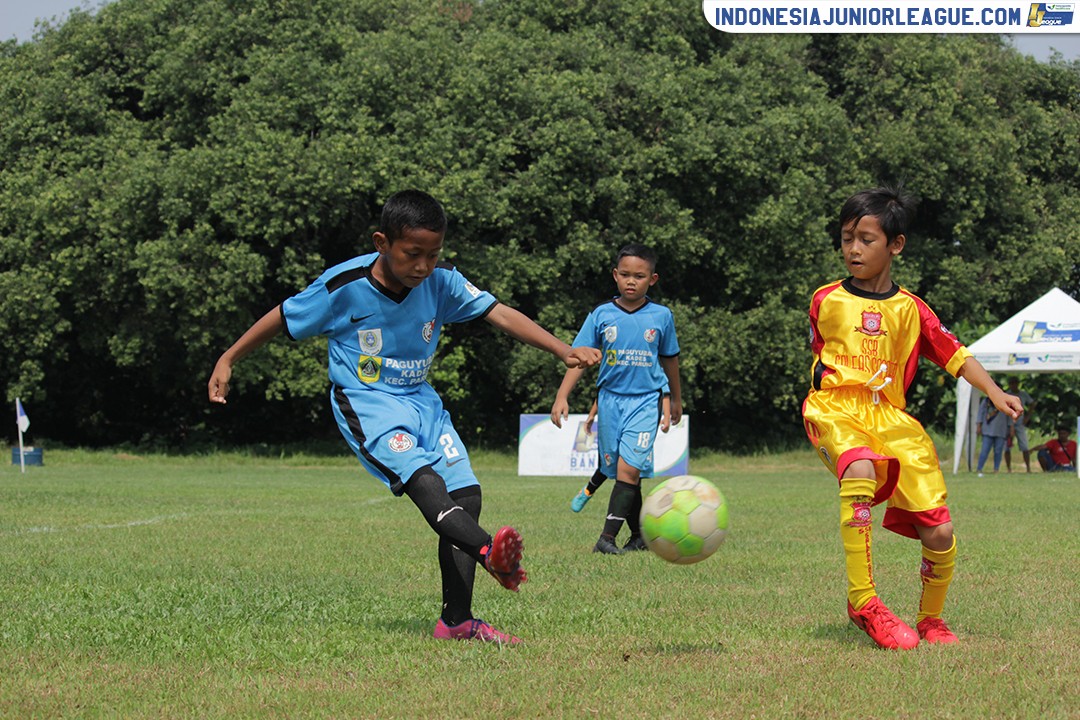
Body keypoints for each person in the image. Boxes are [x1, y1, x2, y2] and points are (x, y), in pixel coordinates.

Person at [207, 190, 601, 645]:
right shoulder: (344, 286)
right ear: (382, 243)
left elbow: (500, 314)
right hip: (368, 403)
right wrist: (228, 358)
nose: (423, 266)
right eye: (412, 254)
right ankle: (488, 552)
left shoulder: (443, 281)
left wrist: (561, 350)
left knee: (466, 495)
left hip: (422, 402)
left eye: (433, 255)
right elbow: (282, 316)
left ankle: (457, 622)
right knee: (425, 483)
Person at [801, 186, 1023, 650]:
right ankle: (864, 601)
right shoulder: (825, 299)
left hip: (892, 419)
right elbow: (826, 357)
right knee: (860, 468)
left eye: (866, 239)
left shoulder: (912, 309)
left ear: (896, 245)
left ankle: (932, 621)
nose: (853, 249)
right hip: (836, 408)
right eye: (846, 238)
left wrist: (995, 391)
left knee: (940, 530)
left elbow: (956, 355)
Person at [550, 244, 682, 555]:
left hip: (645, 402)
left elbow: (670, 359)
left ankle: (606, 539)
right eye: (625, 274)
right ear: (615, 275)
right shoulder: (601, 314)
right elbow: (578, 358)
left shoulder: (661, 316)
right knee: (623, 471)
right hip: (610, 402)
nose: (631, 281)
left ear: (652, 279)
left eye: (639, 276)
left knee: (629, 469)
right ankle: (639, 536)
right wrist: (562, 395)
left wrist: (675, 399)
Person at [1003, 376, 1035, 473]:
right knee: (1007, 446)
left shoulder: (1023, 394)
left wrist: (1027, 417)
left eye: (1015, 383)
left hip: (1020, 423)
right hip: (1008, 423)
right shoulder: (1007, 394)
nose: (1013, 385)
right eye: (1011, 383)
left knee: (1024, 446)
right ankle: (1009, 468)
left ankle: (1028, 468)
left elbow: (1032, 403)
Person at [976, 394, 1013, 476]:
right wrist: (978, 426)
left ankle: (996, 469)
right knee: (984, 451)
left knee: (998, 451)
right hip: (987, 430)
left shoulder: (1005, 402)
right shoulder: (986, 401)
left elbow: (1009, 415)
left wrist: (1011, 428)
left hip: (1001, 431)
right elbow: (980, 414)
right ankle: (979, 468)